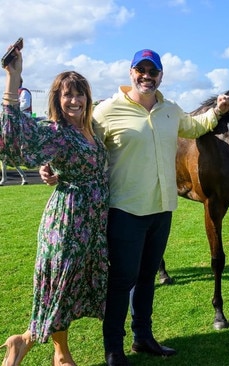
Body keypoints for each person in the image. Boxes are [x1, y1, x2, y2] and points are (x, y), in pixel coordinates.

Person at [41, 49, 229, 366]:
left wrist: (218, 112)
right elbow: (81, 141)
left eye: (152, 70)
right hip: (125, 211)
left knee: (146, 278)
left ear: (161, 75)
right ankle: (113, 348)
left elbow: (194, 127)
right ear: (131, 73)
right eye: (140, 70)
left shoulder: (170, 110)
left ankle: (143, 337)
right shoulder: (107, 111)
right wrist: (53, 166)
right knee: (121, 281)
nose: (147, 75)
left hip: (161, 210)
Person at [1, 45, 109, 366]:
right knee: (60, 291)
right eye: (67, 95)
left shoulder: (89, 130)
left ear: (88, 98)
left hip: (90, 224)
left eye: (80, 94)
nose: (74, 100)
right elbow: (12, 140)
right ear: (57, 100)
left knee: (70, 290)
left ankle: (23, 342)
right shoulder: (57, 132)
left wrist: (52, 168)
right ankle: (59, 354)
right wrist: (13, 78)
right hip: (66, 223)